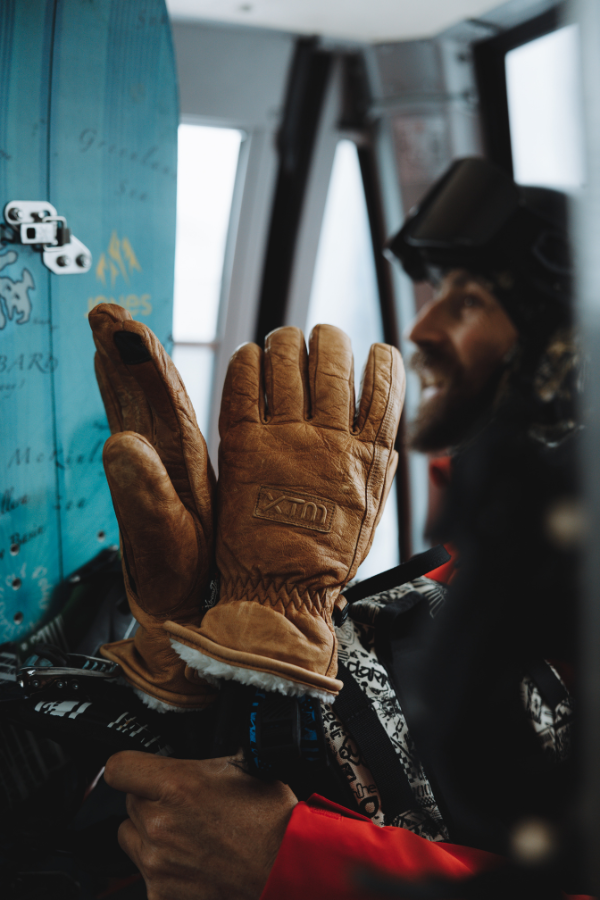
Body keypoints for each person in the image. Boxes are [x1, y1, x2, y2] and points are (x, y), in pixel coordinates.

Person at [101, 157, 586, 900]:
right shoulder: (498, 554)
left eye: (469, 302)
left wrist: (293, 864)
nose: (422, 328)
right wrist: (210, 640)